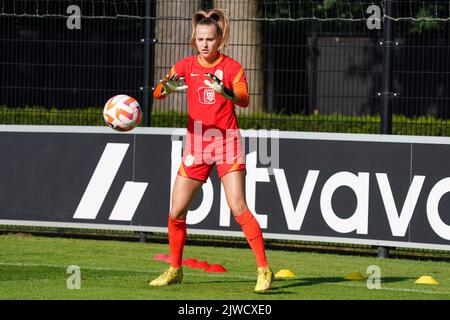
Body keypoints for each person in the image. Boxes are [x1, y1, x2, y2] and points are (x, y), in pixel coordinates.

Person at [150, 8, 273, 293]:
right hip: (196, 144)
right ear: (195, 40)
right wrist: (166, 88)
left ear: (220, 41)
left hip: (226, 143)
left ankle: (264, 270)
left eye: (210, 39)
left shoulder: (232, 68)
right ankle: (175, 270)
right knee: (177, 211)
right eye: (200, 39)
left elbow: (243, 99)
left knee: (238, 206)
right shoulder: (185, 65)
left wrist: (225, 92)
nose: (205, 44)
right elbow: (157, 92)